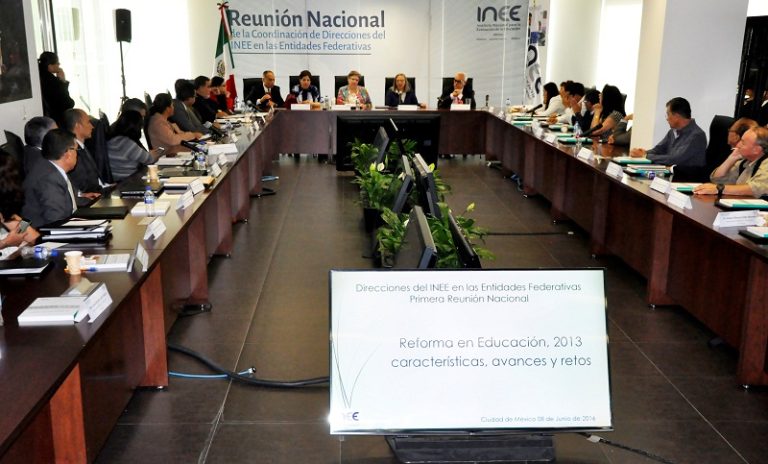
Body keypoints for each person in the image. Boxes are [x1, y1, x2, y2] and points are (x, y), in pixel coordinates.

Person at [22, 129, 79, 227]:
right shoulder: (49, 178)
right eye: (77, 150)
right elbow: (55, 221)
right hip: (41, 232)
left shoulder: (49, 167)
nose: (77, 154)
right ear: (68, 154)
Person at [630, 97, 707, 168]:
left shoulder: (697, 136)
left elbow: (675, 159)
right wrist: (642, 153)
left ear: (676, 116)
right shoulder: (672, 132)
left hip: (686, 177)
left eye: (668, 114)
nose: (667, 118)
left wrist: (645, 156)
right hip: (670, 173)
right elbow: (658, 150)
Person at [694, 126, 768, 197]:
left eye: (743, 143)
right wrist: (731, 158)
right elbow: (717, 180)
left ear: (756, 150)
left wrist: (720, 189)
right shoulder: (744, 162)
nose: (738, 145)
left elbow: (755, 188)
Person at [107, 110, 163, 181]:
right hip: (128, 180)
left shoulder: (113, 139)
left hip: (117, 179)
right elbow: (149, 160)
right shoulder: (126, 143)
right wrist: (155, 154)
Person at [63, 108, 105, 201]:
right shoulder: (73, 152)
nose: (92, 126)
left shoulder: (82, 147)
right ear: (78, 126)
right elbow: (84, 185)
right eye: (88, 122)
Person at [37, 51, 74, 126]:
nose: (59, 64)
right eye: (57, 63)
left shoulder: (38, 75)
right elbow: (69, 104)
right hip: (57, 121)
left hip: (46, 119)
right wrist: (63, 81)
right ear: (50, 66)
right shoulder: (52, 82)